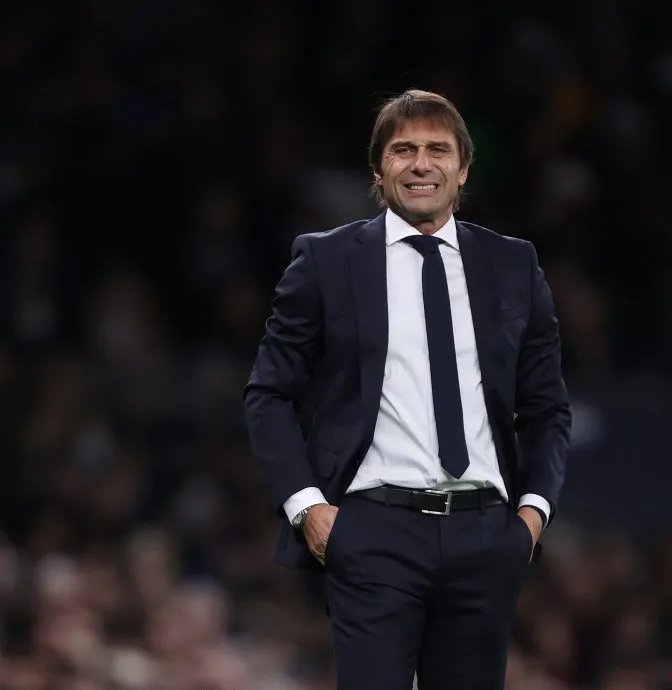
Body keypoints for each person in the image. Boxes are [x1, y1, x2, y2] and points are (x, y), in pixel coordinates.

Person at [242, 89, 570, 690]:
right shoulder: (326, 261)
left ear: (463, 169)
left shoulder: (513, 265)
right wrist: (308, 509)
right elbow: (268, 395)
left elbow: (547, 408)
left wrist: (532, 515)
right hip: (372, 532)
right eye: (404, 150)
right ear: (378, 169)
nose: (422, 164)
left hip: (486, 534)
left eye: (438, 150)